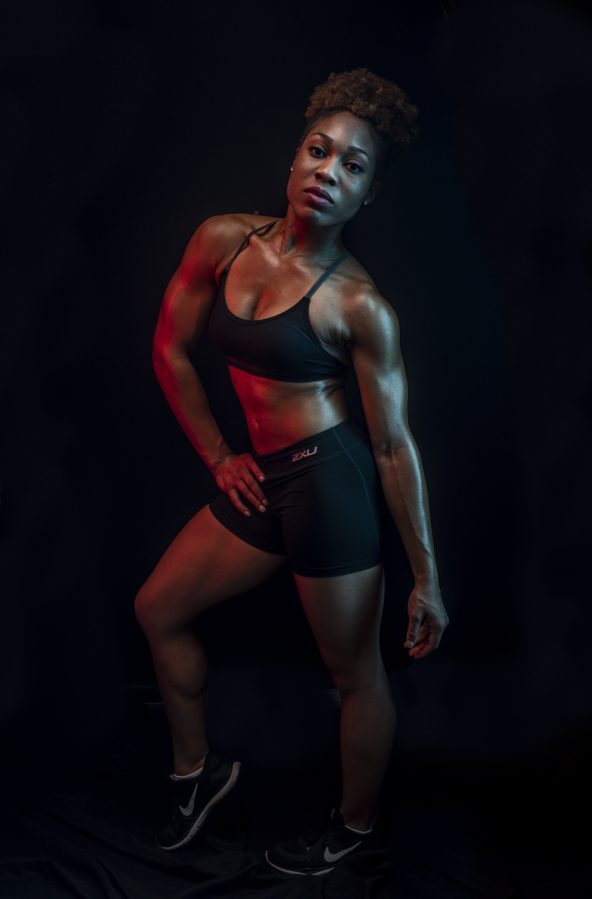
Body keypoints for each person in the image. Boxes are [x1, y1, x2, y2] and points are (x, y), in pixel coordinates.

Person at [135, 66, 449, 877]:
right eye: (320, 150)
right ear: (294, 157)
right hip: (261, 477)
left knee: (354, 674)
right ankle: (197, 774)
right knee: (159, 608)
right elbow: (170, 350)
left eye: (353, 166)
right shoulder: (222, 240)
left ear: (367, 195)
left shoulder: (360, 306)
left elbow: (393, 445)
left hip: (329, 484)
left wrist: (426, 577)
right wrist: (219, 455)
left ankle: (354, 826)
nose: (328, 171)